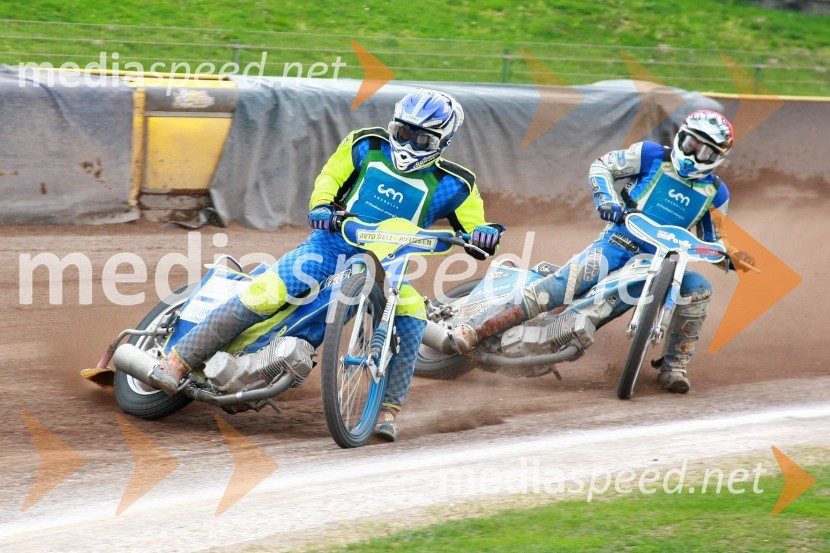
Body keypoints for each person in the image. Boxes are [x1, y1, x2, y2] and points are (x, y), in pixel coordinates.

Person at [150, 88, 504, 440]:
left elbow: (474, 228)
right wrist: (322, 205)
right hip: (330, 244)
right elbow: (330, 178)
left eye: (422, 139)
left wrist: (485, 235)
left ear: (443, 142)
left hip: (389, 266)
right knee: (267, 292)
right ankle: (176, 361)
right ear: (393, 125)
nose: (409, 144)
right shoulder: (366, 144)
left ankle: (388, 411)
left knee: (413, 315)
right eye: (403, 133)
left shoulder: (456, 185)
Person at [452, 110, 754, 393]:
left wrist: (732, 259)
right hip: (619, 243)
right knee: (562, 286)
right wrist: (606, 200)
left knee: (700, 288)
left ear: (717, 158)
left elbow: (715, 240)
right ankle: (475, 330)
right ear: (681, 137)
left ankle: (675, 367)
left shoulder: (716, 193)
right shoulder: (651, 154)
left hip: (667, 263)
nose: (693, 154)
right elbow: (603, 165)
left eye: (705, 152)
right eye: (691, 143)